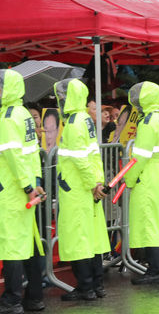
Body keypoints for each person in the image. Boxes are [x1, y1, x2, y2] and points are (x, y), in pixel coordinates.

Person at [54, 79, 110, 301]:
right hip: (86, 188)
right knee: (91, 239)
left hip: (76, 189)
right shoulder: (85, 119)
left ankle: (85, 287)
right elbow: (92, 157)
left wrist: (91, 184)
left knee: (79, 239)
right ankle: (96, 285)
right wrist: (97, 183)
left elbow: (79, 160)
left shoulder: (74, 123)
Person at [0, 70, 46, 314]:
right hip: (26, 187)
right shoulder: (25, 116)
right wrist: (35, 183)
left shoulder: (7, 117)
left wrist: (27, 187)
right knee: (29, 243)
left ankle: (12, 299)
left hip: (12, 189)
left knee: (11, 245)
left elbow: (13, 156)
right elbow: (32, 152)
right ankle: (34, 297)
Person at [124, 81, 159, 284]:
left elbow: (139, 157)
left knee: (150, 224)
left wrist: (129, 179)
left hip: (148, 175)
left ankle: (154, 271)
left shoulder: (147, 122)